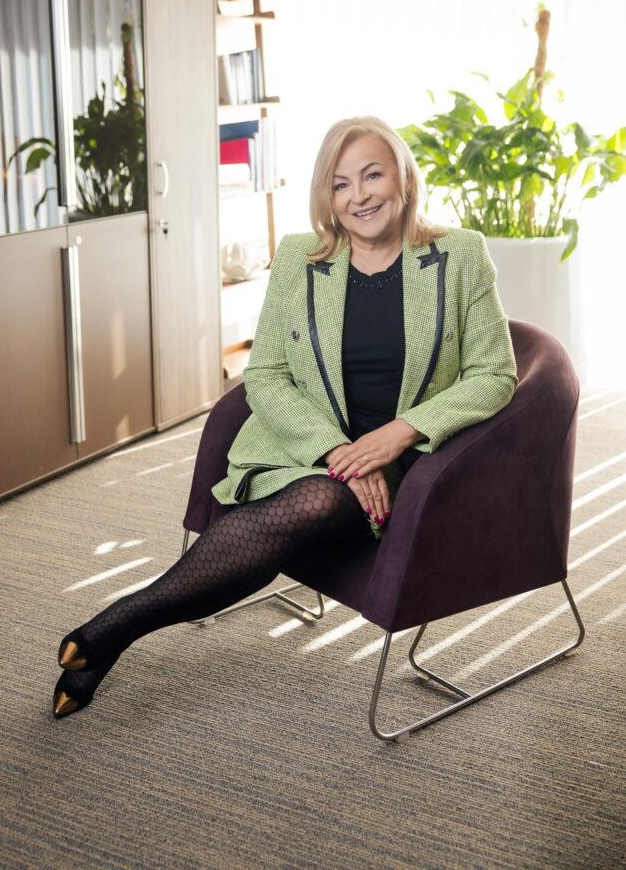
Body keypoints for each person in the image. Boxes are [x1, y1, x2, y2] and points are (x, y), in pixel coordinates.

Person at [53, 115, 518, 718]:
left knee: (314, 502)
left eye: (372, 175)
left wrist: (394, 437)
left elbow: (495, 374)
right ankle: (111, 635)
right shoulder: (302, 257)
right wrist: (337, 452)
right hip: (303, 447)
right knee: (311, 497)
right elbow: (266, 374)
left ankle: (112, 631)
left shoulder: (458, 255)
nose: (359, 196)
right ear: (327, 195)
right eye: (340, 184)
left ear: (403, 177)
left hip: (400, 463)